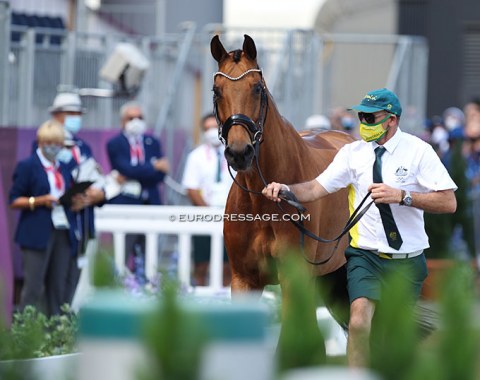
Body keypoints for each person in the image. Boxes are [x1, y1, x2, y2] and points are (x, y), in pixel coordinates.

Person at [262, 88, 457, 367]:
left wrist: (403, 196)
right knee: (358, 322)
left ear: (391, 120)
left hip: (407, 258)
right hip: (365, 255)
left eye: (370, 117)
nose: (363, 123)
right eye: (361, 117)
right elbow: (316, 187)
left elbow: (448, 201)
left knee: (392, 335)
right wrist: (285, 190)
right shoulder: (352, 153)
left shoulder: (419, 151)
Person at [9, 120, 80, 316]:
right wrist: (39, 201)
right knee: (33, 288)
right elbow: (14, 200)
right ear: (40, 142)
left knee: (57, 287)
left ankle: (54, 336)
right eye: (49, 142)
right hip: (36, 232)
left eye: (58, 143)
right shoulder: (28, 166)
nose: (53, 147)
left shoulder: (64, 167)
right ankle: (25, 335)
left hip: (61, 231)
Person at [106, 101, 169, 274]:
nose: (136, 121)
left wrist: (134, 172)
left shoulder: (152, 142)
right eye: (131, 118)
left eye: (139, 117)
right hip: (126, 207)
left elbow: (160, 175)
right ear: (122, 121)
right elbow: (123, 168)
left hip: (151, 204)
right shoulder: (115, 143)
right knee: (122, 254)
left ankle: (148, 291)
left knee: (150, 258)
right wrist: (153, 166)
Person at [182, 113, 232, 286]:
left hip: (230, 216)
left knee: (228, 264)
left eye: (215, 127)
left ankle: (227, 301)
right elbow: (191, 188)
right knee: (201, 263)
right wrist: (208, 211)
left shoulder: (236, 152)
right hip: (204, 215)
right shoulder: (196, 156)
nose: (212, 132)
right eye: (207, 128)